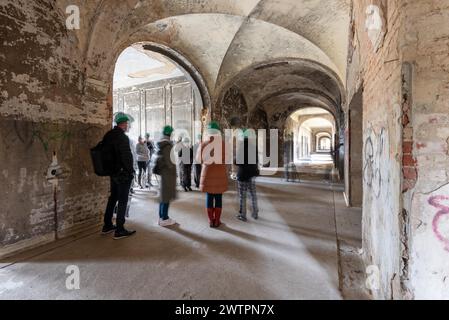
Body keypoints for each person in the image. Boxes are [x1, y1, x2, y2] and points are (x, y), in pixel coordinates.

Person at [102, 113, 137, 240]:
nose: (128, 126)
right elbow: (127, 157)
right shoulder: (122, 137)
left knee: (113, 198)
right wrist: (131, 171)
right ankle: (120, 229)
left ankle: (107, 225)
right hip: (123, 174)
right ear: (124, 124)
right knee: (123, 200)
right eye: (128, 124)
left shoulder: (109, 135)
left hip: (113, 172)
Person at [196, 121, 228, 228]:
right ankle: (217, 221)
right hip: (220, 176)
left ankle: (211, 221)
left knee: (209, 197)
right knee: (218, 198)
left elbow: (198, 160)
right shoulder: (223, 144)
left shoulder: (203, 144)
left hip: (208, 175)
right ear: (218, 132)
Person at [152, 125, 177, 227]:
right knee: (166, 197)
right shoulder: (167, 146)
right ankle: (164, 218)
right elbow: (169, 162)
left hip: (164, 174)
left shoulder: (163, 144)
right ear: (170, 134)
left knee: (164, 196)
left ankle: (162, 217)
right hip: (168, 175)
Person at [235, 129, 260, 222]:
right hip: (251, 174)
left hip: (242, 175)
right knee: (253, 194)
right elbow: (256, 160)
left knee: (242, 196)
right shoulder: (254, 147)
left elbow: (237, 161)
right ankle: (255, 213)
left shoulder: (241, 147)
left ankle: (243, 215)